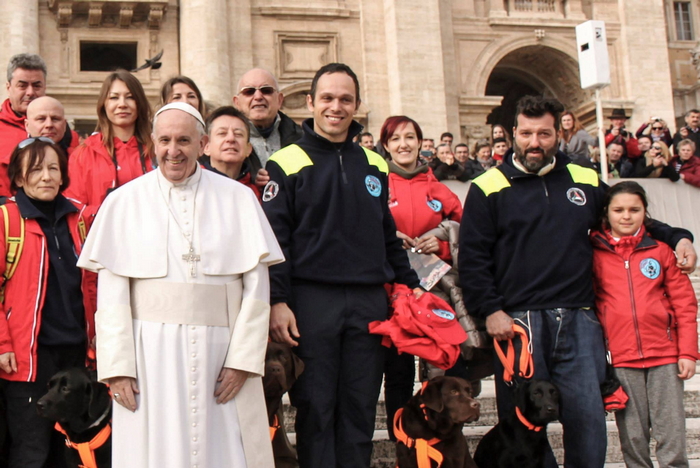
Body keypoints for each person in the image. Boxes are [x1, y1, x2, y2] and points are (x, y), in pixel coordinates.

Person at [459, 95, 696, 468]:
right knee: (520, 426)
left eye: (544, 133)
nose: (534, 142)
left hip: (580, 319)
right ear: (512, 133)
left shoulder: (584, 178)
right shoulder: (487, 185)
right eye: (525, 133)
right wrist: (489, 310)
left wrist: (678, 235)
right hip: (519, 322)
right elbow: (472, 258)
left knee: (587, 421)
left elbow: (626, 216)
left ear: (559, 134)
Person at [77, 102, 284, 467]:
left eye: (184, 140)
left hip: (221, 357)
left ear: (203, 143)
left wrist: (243, 361)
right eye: (166, 140)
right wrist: (118, 367)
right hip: (147, 358)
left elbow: (256, 289)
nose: (174, 151)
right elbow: (110, 296)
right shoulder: (124, 202)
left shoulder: (238, 199)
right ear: (152, 143)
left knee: (223, 450)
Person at [262, 63, 421, 468]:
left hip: (368, 305)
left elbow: (387, 236)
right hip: (311, 304)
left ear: (357, 106)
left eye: (345, 99)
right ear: (311, 102)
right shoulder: (287, 161)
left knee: (360, 411)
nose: (336, 107)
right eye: (328, 98)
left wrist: (410, 287)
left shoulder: (373, 164)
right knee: (316, 409)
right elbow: (275, 241)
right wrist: (278, 300)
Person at [0, 137, 96, 468]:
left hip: (76, 355)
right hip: (29, 359)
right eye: (36, 169)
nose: (46, 177)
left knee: (71, 450)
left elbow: (95, 283)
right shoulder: (7, 220)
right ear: (19, 177)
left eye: (53, 168)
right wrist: (2, 344)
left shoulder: (80, 219)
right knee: (32, 449)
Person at [591, 181, 698, 468]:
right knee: (633, 436)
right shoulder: (594, 253)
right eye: (619, 210)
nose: (626, 216)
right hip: (622, 359)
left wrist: (687, 352)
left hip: (665, 356)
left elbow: (685, 305)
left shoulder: (661, 251)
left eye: (634, 210)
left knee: (670, 430)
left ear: (645, 213)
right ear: (607, 213)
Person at [379, 115, 462, 440]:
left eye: (410, 137)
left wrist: (442, 244)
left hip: (433, 295)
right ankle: (405, 445)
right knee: (397, 376)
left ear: (420, 142)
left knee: (440, 375)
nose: (403, 144)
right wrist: (388, 238)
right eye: (396, 139)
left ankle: (443, 445)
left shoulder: (440, 189)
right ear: (386, 145)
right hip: (393, 297)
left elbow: (467, 236)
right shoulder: (377, 185)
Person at [65, 70, 154, 208]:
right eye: (114, 98)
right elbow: (74, 207)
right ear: (103, 104)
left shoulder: (157, 151)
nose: (122, 104)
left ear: (140, 103)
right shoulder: (84, 154)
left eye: (130, 97)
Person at [233, 68, 303, 188]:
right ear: (237, 103)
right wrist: (250, 178)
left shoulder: (302, 139)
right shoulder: (224, 142)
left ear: (279, 100)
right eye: (249, 91)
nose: (258, 96)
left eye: (266, 90)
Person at [0, 54, 48, 197]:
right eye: (22, 85)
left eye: (36, 85)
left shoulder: (63, 131)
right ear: (9, 87)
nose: (30, 92)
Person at [199, 106, 260, 198]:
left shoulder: (256, 193)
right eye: (222, 133)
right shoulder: (193, 184)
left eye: (238, 134)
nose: (231, 139)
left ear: (249, 149)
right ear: (206, 146)